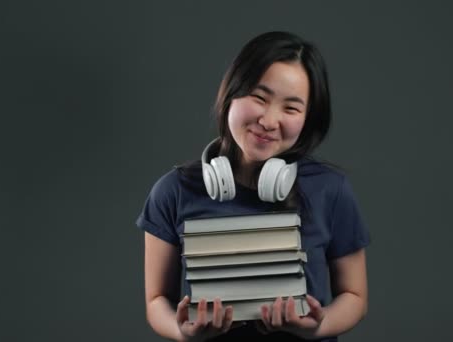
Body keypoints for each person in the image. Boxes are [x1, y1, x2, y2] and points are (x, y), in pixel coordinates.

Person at [136, 31, 370, 341]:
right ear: (231, 93)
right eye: (259, 98)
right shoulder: (172, 191)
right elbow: (156, 302)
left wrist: (317, 327)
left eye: (291, 108)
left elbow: (355, 295)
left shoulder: (331, 190)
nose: (269, 120)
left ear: (308, 118)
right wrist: (183, 332)